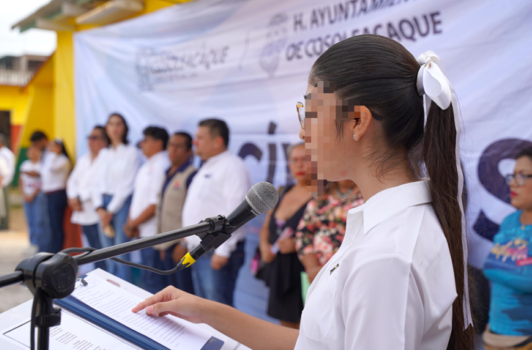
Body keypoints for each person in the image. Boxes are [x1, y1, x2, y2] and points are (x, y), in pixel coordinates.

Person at [132, 35, 474, 350]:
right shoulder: (386, 229)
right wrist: (206, 311)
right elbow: (318, 343)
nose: (302, 130)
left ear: (358, 121)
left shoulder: (387, 257)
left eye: (309, 111)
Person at [181, 119, 252, 306]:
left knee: (218, 311)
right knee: (203, 309)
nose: (194, 142)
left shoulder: (233, 166)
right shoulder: (208, 165)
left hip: (215, 251)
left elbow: (236, 212)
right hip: (199, 250)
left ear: (217, 142)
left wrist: (224, 250)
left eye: (200, 138)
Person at [482, 147, 532, 350]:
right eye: (513, 175)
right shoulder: (509, 222)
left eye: (523, 176)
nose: (512, 182)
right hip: (494, 337)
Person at [258, 142, 311, 329]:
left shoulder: (323, 194)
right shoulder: (283, 191)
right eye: (294, 160)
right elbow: (266, 227)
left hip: (304, 270)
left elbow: (329, 235)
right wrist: (264, 246)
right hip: (280, 270)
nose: (299, 165)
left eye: (305, 159)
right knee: (285, 328)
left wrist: (297, 243)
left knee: (306, 330)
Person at [94, 113, 142, 282]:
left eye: (118, 124)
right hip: (103, 204)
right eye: (111, 124)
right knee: (107, 253)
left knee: (121, 254)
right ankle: (111, 290)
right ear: (106, 128)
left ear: (125, 128)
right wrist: (99, 207)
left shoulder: (131, 152)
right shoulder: (104, 153)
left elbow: (127, 185)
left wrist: (110, 210)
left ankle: (125, 292)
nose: (114, 128)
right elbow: (96, 181)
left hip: (121, 204)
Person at [124, 126, 170, 293]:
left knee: (153, 283)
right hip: (141, 231)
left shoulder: (162, 165)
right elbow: (138, 199)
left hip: (153, 234)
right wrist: (131, 221)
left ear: (158, 143)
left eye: (145, 140)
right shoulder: (147, 165)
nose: (141, 144)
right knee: (146, 279)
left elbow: (154, 204)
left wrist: (132, 224)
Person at [153, 132, 197, 294]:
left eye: (178, 146)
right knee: (169, 291)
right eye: (170, 145)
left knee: (183, 292)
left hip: (180, 245)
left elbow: (193, 212)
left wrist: (183, 243)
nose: (173, 149)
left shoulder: (192, 175)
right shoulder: (168, 172)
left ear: (188, 151)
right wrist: (162, 243)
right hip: (166, 242)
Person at [295, 179, 363, 283]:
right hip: (317, 274)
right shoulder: (320, 197)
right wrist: (313, 268)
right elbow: (303, 233)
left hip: (351, 272)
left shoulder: (366, 197)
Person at [66, 126, 109, 271]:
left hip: (98, 210)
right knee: (90, 248)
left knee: (102, 250)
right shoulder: (84, 158)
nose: (90, 141)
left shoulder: (106, 157)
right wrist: (72, 198)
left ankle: (106, 279)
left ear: (104, 140)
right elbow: (72, 180)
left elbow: (98, 184)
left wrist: (80, 197)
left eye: (94, 137)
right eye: (89, 137)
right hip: (82, 210)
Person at [41, 138, 71, 253]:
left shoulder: (63, 160)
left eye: (53, 146)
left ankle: (57, 250)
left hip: (58, 194)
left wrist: (53, 154)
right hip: (49, 194)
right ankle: (52, 249)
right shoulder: (50, 158)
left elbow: (52, 168)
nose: (50, 149)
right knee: (51, 224)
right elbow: (43, 171)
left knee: (57, 225)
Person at [19, 145, 49, 253]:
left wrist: (33, 194)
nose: (33, 154)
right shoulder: (25, 164)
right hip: (26, 196)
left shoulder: (42, 165)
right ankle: (31, 242)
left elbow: (42, 181)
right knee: (30, 220)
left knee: (39, 220)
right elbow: (21, 180)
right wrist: (24, 194)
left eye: (35, 151)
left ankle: (38, 243)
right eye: (30, 152)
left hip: (38, 196)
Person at [0, 133, 15, 231]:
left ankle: (5, 224)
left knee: (5, 204)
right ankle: (0, 224)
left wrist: (4, 182)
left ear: (0, 142)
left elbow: (9, 169)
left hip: (4, 182)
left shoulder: (7, 154)